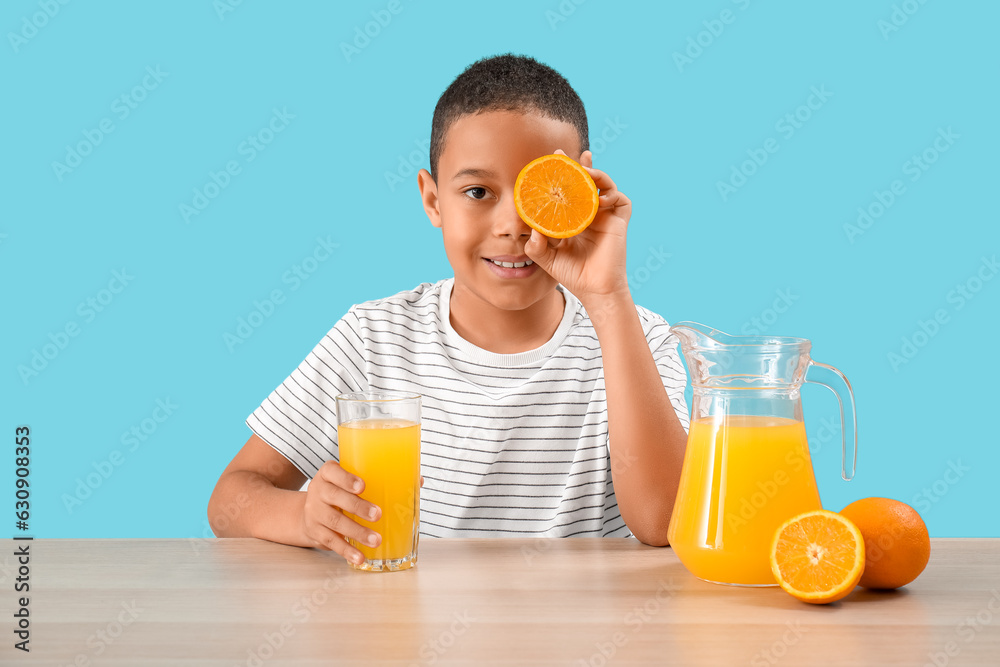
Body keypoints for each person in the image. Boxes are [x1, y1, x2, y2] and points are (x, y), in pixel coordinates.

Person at [208, 53, 690, 567]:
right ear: (433, 200)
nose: (512, 225)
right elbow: (231, 500)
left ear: (580, 195)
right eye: (478, 192)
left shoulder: (637, 338)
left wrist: (609, 298)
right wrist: (303, 516)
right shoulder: (374, 339)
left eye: (539, 192)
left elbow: (664, 521)